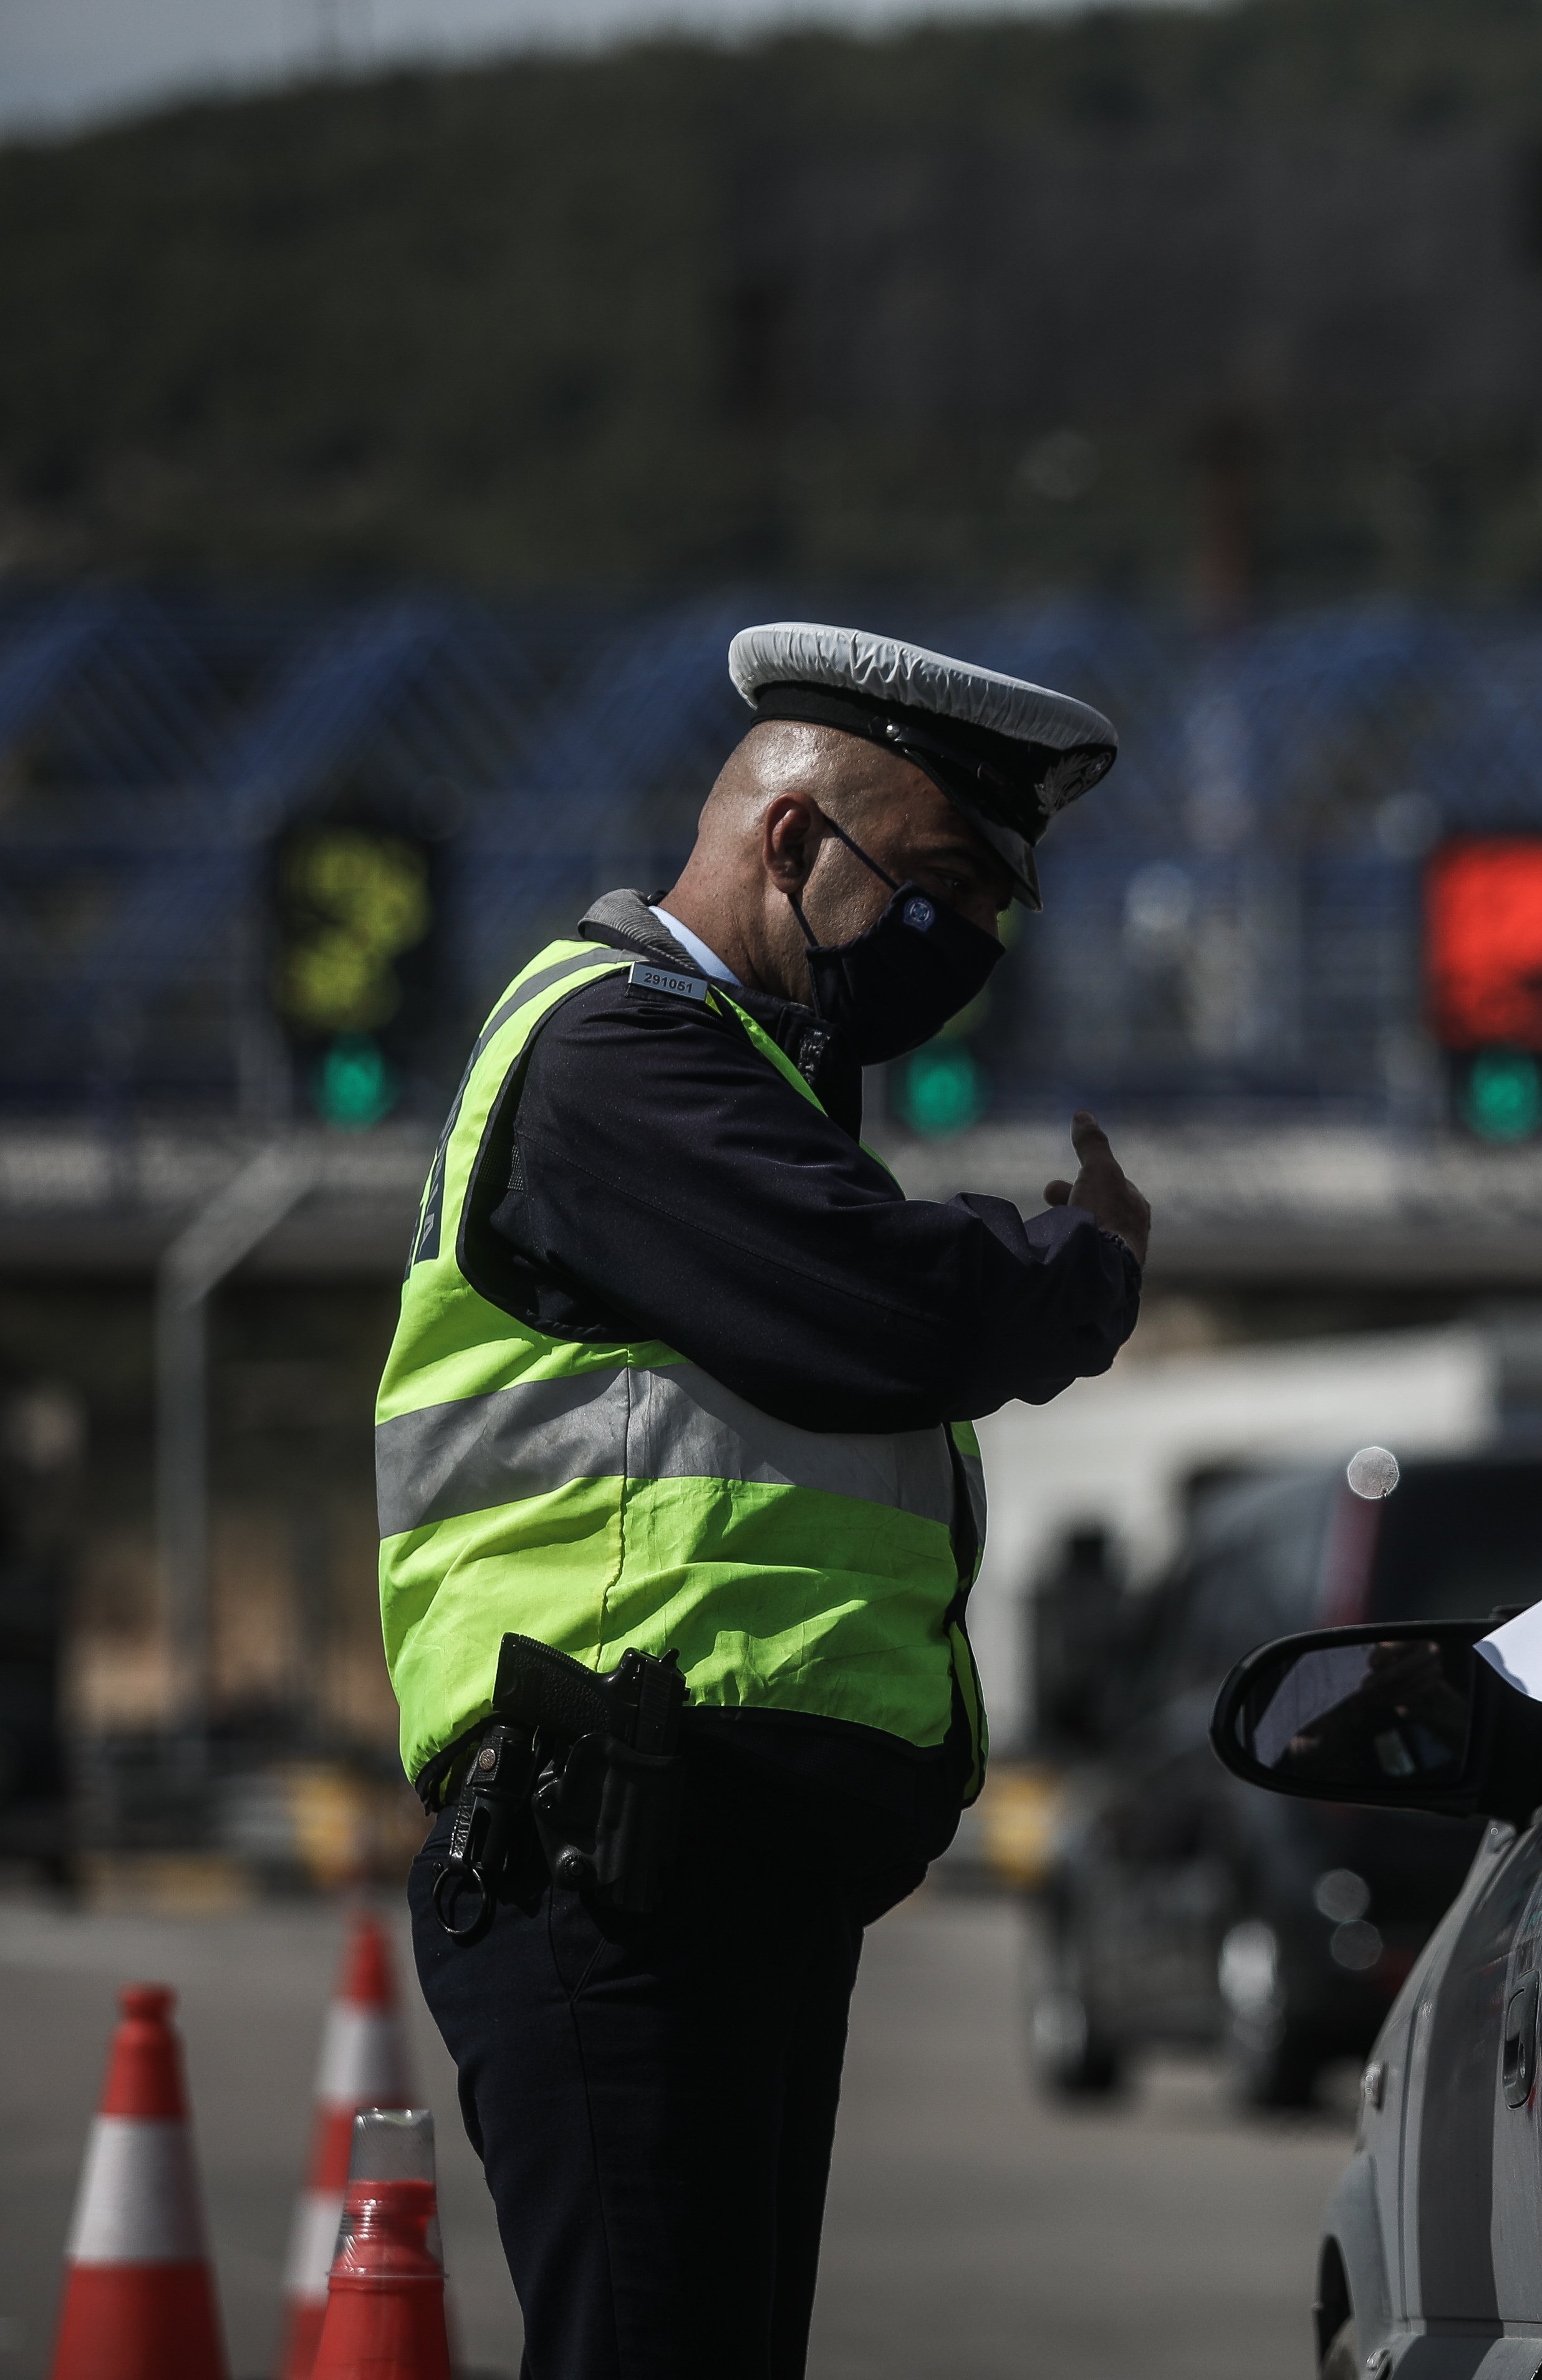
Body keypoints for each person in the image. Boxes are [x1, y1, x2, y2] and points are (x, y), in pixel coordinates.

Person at [378, 624, 1152, 2379]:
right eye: (947, 886)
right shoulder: (610, 1055)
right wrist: (1077, 1266)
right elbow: (894, 1305)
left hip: (717, 1871)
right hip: (606, 1851)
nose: (973, 949)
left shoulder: (741, 1088)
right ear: (797, 844)